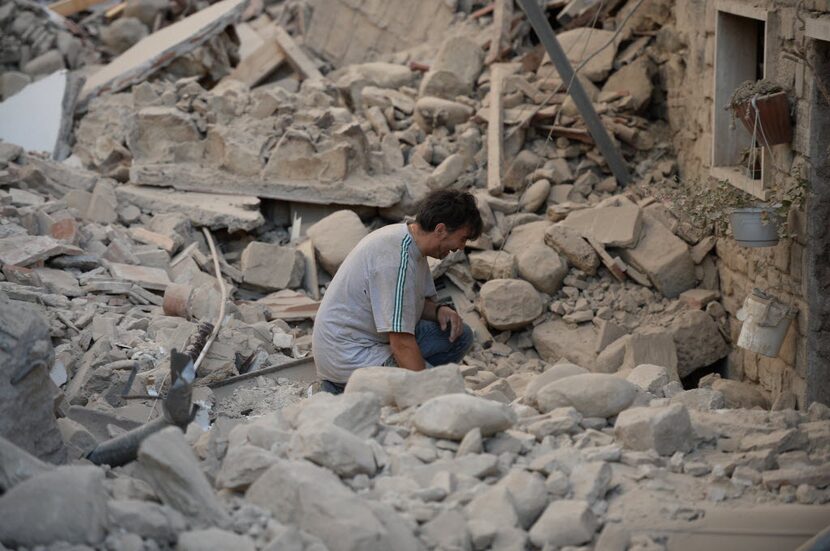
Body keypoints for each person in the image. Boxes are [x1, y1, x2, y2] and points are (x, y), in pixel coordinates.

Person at [312, 189, 484, 394]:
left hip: (372, 340)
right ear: (440, 230)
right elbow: (401, 342)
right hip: (349, 354)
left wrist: (438, 311)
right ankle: (345, 387)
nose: (460, 247)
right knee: (438, 393)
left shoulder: (412, 243)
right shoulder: (395, 259)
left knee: (459, 335)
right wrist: (426, 391)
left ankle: (391, 388)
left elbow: (409, 304)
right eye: (462, 239)